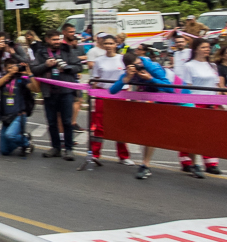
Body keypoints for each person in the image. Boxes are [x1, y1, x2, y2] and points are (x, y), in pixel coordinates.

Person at [110, 50, 173, 180]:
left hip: (179, 97)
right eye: (136, 66)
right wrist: (126, 78)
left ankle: (194, 164)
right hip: (156, 101)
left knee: (189, 131)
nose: (139, 67)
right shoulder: (130, 72)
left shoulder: (152, 67)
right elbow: (112, 91)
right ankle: (145, 165)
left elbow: (170, 88)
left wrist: (150, 78)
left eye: (139, 63)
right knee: (150, 132)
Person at [30, 30, 82, 160]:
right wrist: (46, 65)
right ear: (47, 40)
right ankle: (56, 147)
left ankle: (69, 149)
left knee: (67, 121)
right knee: (51, 121)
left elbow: (79, 66)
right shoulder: (41, 52)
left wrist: (67, 68)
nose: (57, 42)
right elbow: (34, 69)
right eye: (54, 40)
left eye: (58, 39)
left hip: (65, 91)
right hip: (49, 92)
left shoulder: (67, 50)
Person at [178, 38, 222, 177]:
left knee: (210, 134)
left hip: (211, 102)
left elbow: (216, 86)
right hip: (196, 102)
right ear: (196, 49)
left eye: (208, 47)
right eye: (204, 47)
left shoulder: (213, 66)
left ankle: (211, 163)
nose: (207, 50)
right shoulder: (189, 66)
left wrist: (219, 100)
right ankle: (188, 162)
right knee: (194, 134)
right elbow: (187, 87)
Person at [88, 35, 133, 165]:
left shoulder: (122, 59)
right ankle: (95, 154)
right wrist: (93, 94)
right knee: (100, 126)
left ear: (116, 44)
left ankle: (123, 156)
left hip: (120, 95)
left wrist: (129, 94)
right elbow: (95, 80)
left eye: (111, 43)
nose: (108, 46)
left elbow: (128, 78)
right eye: (106, 43)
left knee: (120, 125)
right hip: (103, 95)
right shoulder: (99, 60)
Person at [0, 59, 38, 156]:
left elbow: (36, 89)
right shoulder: (3, 79)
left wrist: (30, 73)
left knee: (10, 135)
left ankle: (26, 143)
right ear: (5, 68)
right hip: (6, 117)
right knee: (4, 151)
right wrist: (10, 74)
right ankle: (22, 139)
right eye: (9, 67)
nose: (12, 69)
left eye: (14, 67)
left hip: (19, 115)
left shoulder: (21, 80)